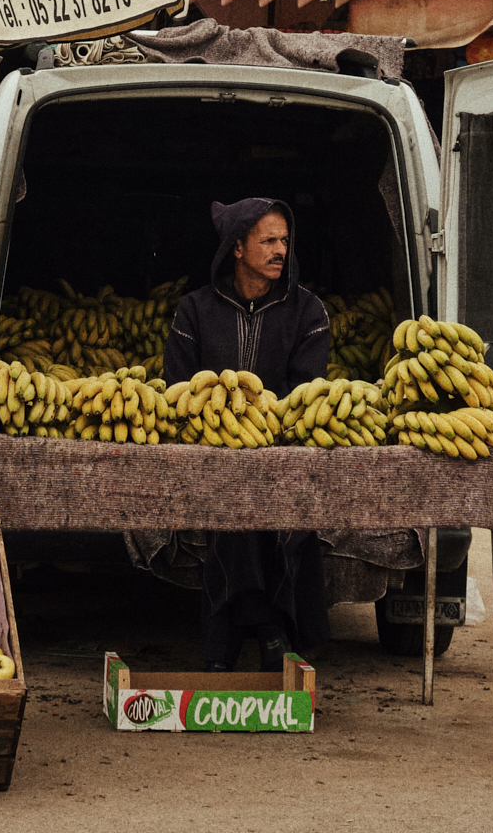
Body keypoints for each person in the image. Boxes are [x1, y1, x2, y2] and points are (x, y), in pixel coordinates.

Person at [163, 198, 332, 672]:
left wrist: (264, 433)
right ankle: (268, 629)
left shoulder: (308, 311)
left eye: (285, 241)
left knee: (272, 503)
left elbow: (307, 391)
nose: (281, 251)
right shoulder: (195, 310)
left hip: (284, 452)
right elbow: (178, 388)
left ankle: (233, 635)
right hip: (211, 455)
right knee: (232, 501)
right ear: (237, 248)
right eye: (268, 241)